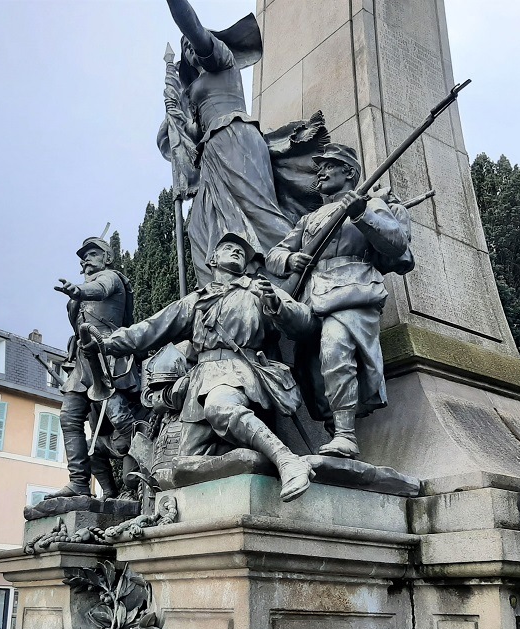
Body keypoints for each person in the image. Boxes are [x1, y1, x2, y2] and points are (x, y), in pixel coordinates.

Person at [99, 231, 317, 502]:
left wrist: (275, 304)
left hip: (240, 371)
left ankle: (287, 460)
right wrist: (107, 343)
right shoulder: (196, 301)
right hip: (200, 381)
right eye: (228, 247)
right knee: (185, 466)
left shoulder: (258, 290)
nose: (237, 251)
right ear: (212, 259)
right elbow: (151, 328)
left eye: (242, 251)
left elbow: (306, 323)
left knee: (219, 407)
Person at [266, 144, 413, 458]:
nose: (320, 171)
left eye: (328, 165)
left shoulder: (372, 204)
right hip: (312, 297)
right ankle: (335, 430)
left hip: (352, 290)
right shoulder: (310, 218)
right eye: (320, 167)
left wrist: (359, 213)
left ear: (349, 172)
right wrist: (290, 259)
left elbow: (396, 244)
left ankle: (346, 435)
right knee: (313, 370)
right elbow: (274, 253)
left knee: (335, 347)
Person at [161, 0, 295, 285]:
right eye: (185, 49)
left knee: (256, 208)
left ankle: (295, 264)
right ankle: (216, 290)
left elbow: (191, 26)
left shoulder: (222, 61)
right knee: (200, 226)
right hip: (210, 151)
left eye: (191, 44)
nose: (189, 49)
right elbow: (193, 133)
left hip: (235, 138)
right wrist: (175, 111)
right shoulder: (195, 89)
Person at [46, 237, 140, 499]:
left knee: (121, 419)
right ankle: (78, 482)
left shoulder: (112, 278)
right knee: (69, 417)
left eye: (93, 254)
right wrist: (77, 295)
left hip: (108, 355)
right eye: (83, 256)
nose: (86, 259)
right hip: (82, 361)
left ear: (108, 258)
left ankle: (140, 481)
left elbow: (99, 289)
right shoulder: (82, 290)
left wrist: (78, 291)